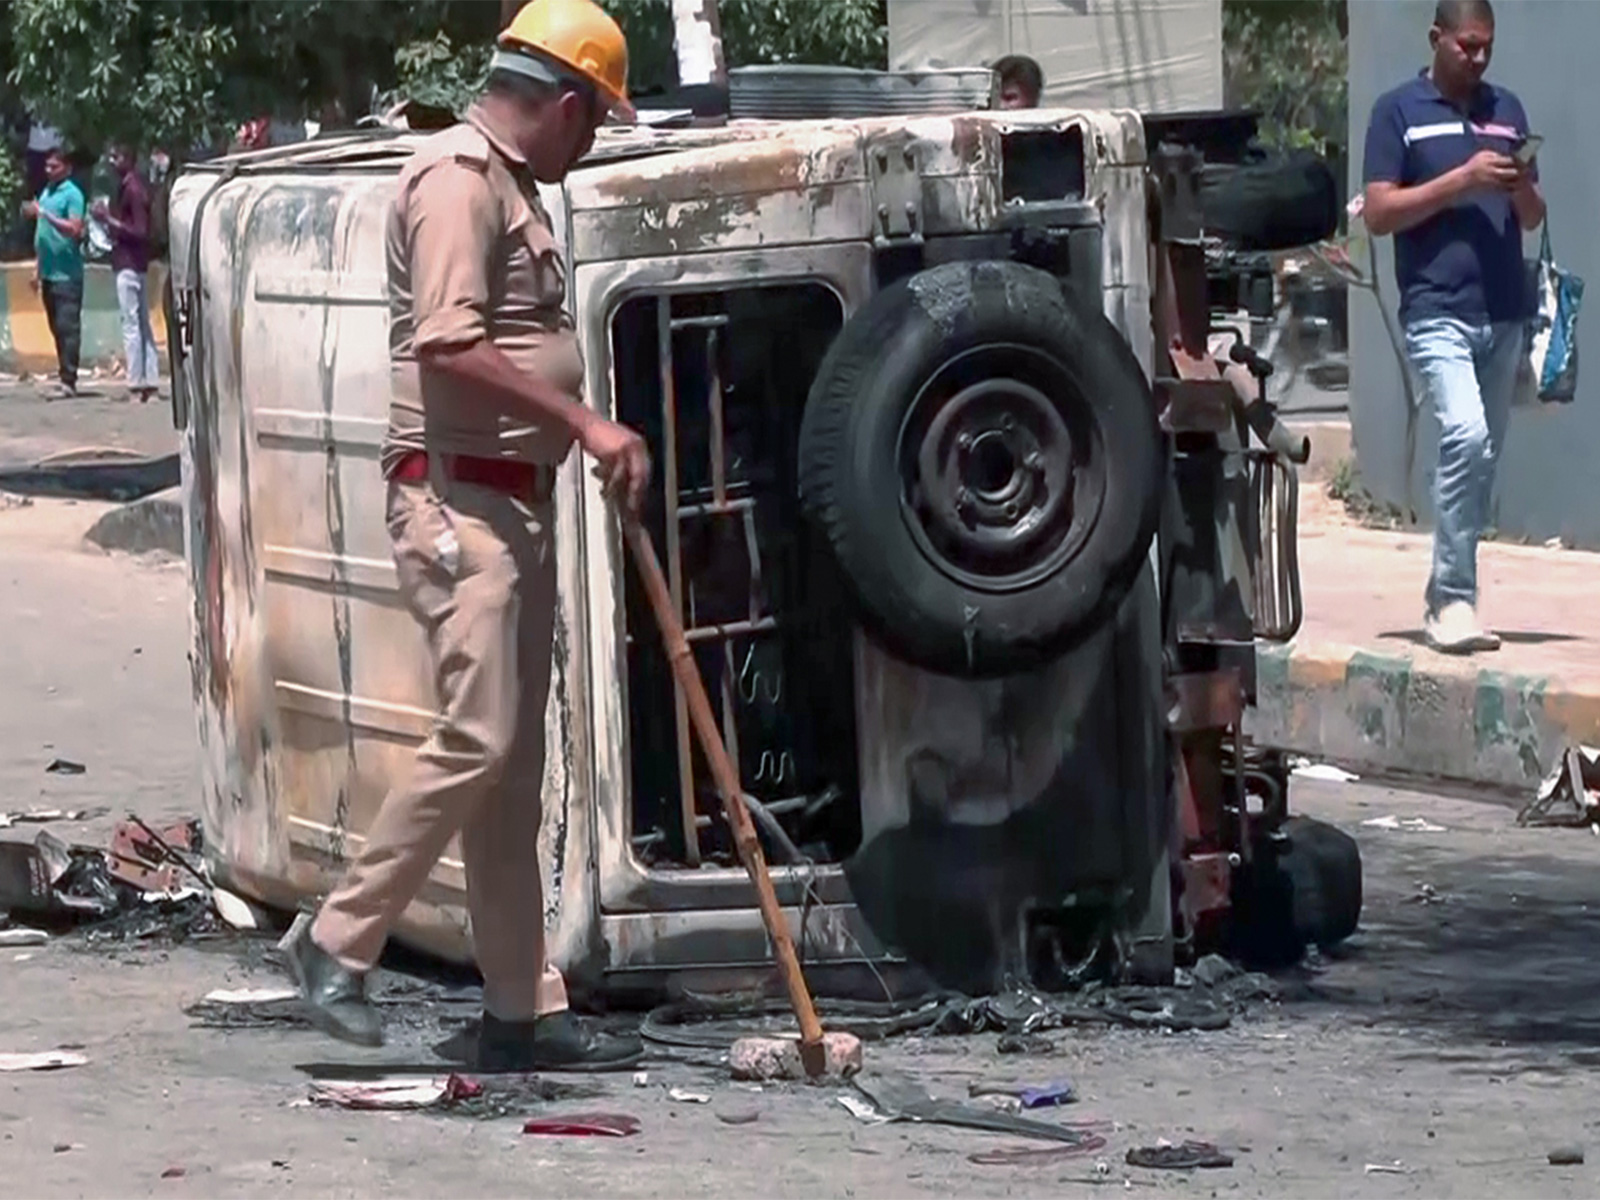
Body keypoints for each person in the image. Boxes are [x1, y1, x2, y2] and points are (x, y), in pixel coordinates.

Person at [280, 0, 651, 1072]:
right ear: (567, 104)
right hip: (457, 504)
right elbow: (447, 342)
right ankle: (337, 941)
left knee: (509, 765)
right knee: (479, 738)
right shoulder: (456, 180)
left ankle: (516, 1011)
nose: (593, 147)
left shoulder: (506, 185)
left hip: (509, 500)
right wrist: (585, 420)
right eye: (596, 124)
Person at [1361, 0, 1544, 655]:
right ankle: (1450, 600)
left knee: (1480, 457)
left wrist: (1519, 183)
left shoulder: (1508, 109)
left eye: (1487, 46)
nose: (1479, 57)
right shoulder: (1398, 112)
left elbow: (1530, 217)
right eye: (1468, 45)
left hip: (1502, 312)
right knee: (1464, 436)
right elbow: (1378, 213)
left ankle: (1456, 595)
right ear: (1437, 39)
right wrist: (1461, 180)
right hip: (1437, 309)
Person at [92, 144, 160, 403]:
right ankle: (149, 382)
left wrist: (108, 219)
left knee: (132, 324)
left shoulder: (132, 189)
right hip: (136, 263)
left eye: (117, 156)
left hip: (129, 263)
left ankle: (137, 383)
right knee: (141, 323)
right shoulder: (133, 186)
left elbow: (139, 231)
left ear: (129, 159)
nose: (112, 161)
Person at [22, 148, 87, 398]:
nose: (49, 170)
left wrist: (46, 215)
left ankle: (69, 380)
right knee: (56, 327)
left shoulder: (72, 195)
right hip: (49, 272)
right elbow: (42, 236)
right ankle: (64, 374)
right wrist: (37, 269)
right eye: (47, 166)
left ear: (67, 168)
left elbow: (75, 227)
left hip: (67, 275)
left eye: (54, 166)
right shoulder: (46, 192)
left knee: (67, 326)